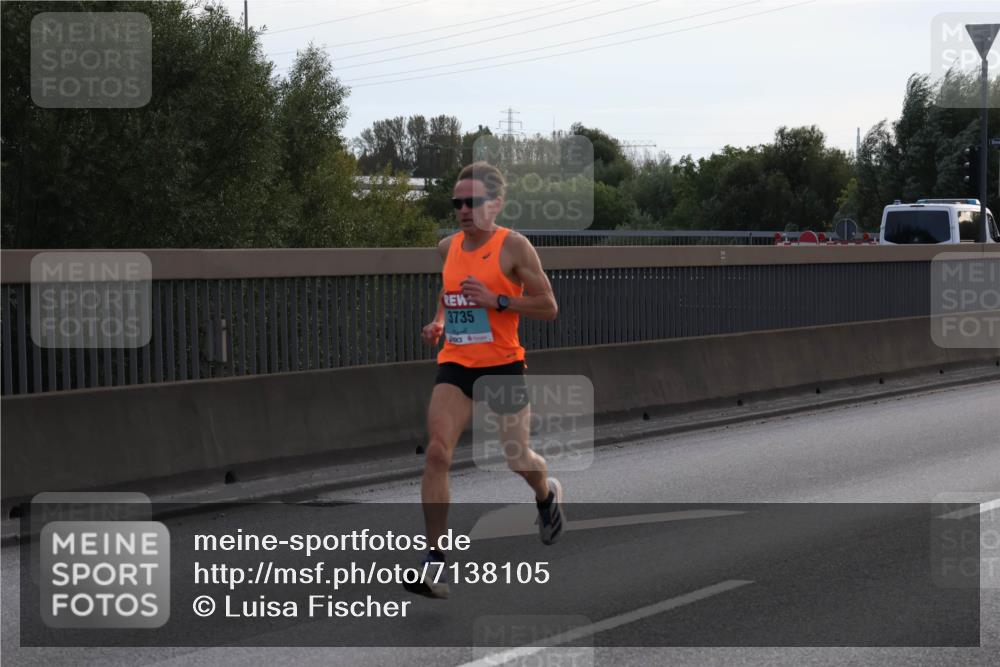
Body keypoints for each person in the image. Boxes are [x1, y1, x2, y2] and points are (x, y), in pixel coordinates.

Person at [403, 162, 563, 599]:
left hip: (502, 364)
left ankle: (545, 494)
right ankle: (435, 561)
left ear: (495, 204)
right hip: (456, 363)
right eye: (456, 203)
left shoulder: (514, 247)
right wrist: (439, 321)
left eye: (471, 202)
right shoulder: (447, 247)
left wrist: (498, 300)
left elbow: (548, 306)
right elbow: (449, 290)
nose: (462, 210)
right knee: (437, 453)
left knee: (517, 458)